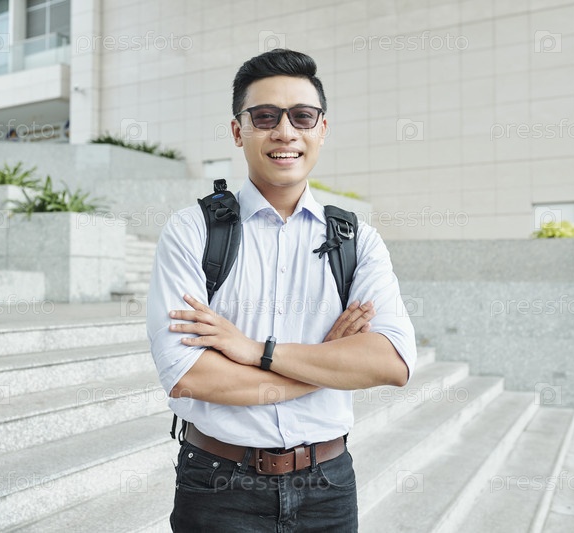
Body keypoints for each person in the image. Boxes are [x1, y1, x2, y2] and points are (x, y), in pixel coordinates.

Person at [147, 49, 417, 532]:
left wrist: (256, 351)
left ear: (322, 129)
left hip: (328, 487)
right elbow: (189, 376)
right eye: (265, 117)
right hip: (218, 485)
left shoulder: (357, 240)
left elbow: (392, 363)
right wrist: (325, 367)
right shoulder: (193, 232)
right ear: (238, 131)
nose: (285, 132)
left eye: (302, 116)